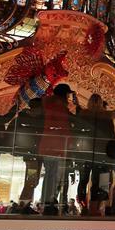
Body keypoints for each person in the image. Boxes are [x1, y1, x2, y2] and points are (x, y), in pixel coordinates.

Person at [76, 93, 115, 214]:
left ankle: (85, 206)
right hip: (105, 156)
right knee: (105, 183)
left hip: (88, 154)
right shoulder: (107, 116)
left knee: (85, 180)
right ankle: (104, 208)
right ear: (101, 103)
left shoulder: (84, 114)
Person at [38, 84, 77, 215]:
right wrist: (70, 142)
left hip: (47, 145)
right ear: (63, 95)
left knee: (50, 175)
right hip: (57, 146)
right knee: (53, 176)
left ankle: (47, 202)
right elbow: (63, 127)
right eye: (68, 94)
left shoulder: (49, 104)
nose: (69, 97)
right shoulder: (59, 106)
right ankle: (49, 203)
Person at [11, 98, 44, 214]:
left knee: (32, 179)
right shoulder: (40, 118)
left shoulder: (24, 116)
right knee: (32, 180)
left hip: (30, 152)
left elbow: (12, 128)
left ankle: (25, 203)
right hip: (34, 153)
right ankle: (24, 205)